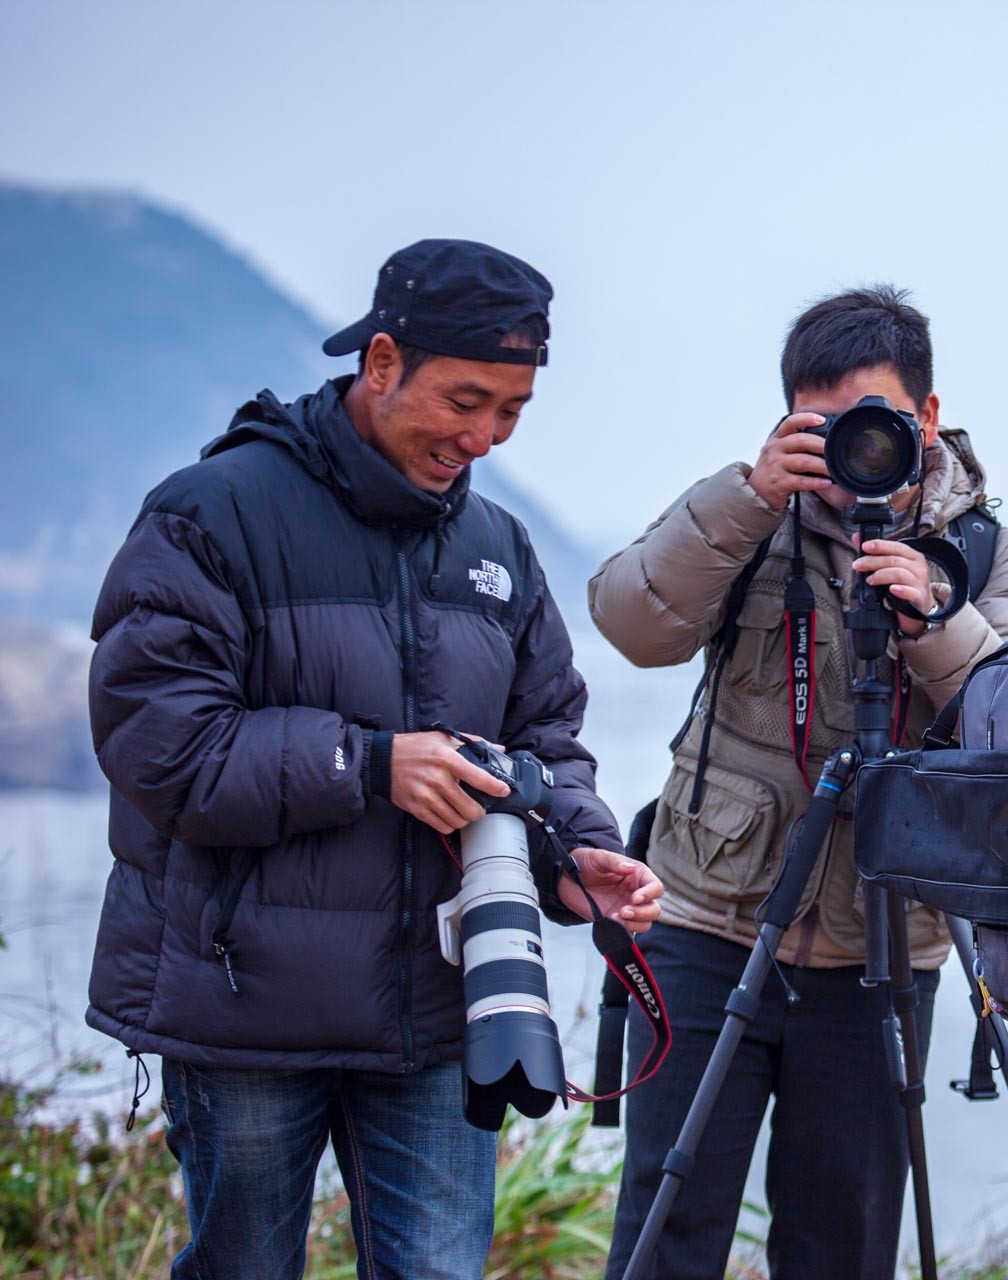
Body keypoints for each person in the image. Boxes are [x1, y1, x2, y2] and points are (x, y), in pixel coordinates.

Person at [85, 239, 664, 1280]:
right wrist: (367, 762)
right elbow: (157, 744)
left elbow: (546, 736)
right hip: (245, 1001)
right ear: (383, 362)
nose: (483, 438)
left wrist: (579, 855)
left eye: (512, 413)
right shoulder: (209, 513)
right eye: (466, 400)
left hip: (444, 1004)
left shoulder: (499, 546)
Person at [589, 285, 1008, 1280]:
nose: (855, 450)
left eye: (875, 422)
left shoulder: (987, 555)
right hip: (707, 924)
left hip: (883, 946)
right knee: (667, 1223)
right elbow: (632, 622)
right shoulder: (749, 518)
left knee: (840, 1243)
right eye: (823, 422)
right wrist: (745, 495)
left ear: (925, 418)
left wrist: (936, 616)